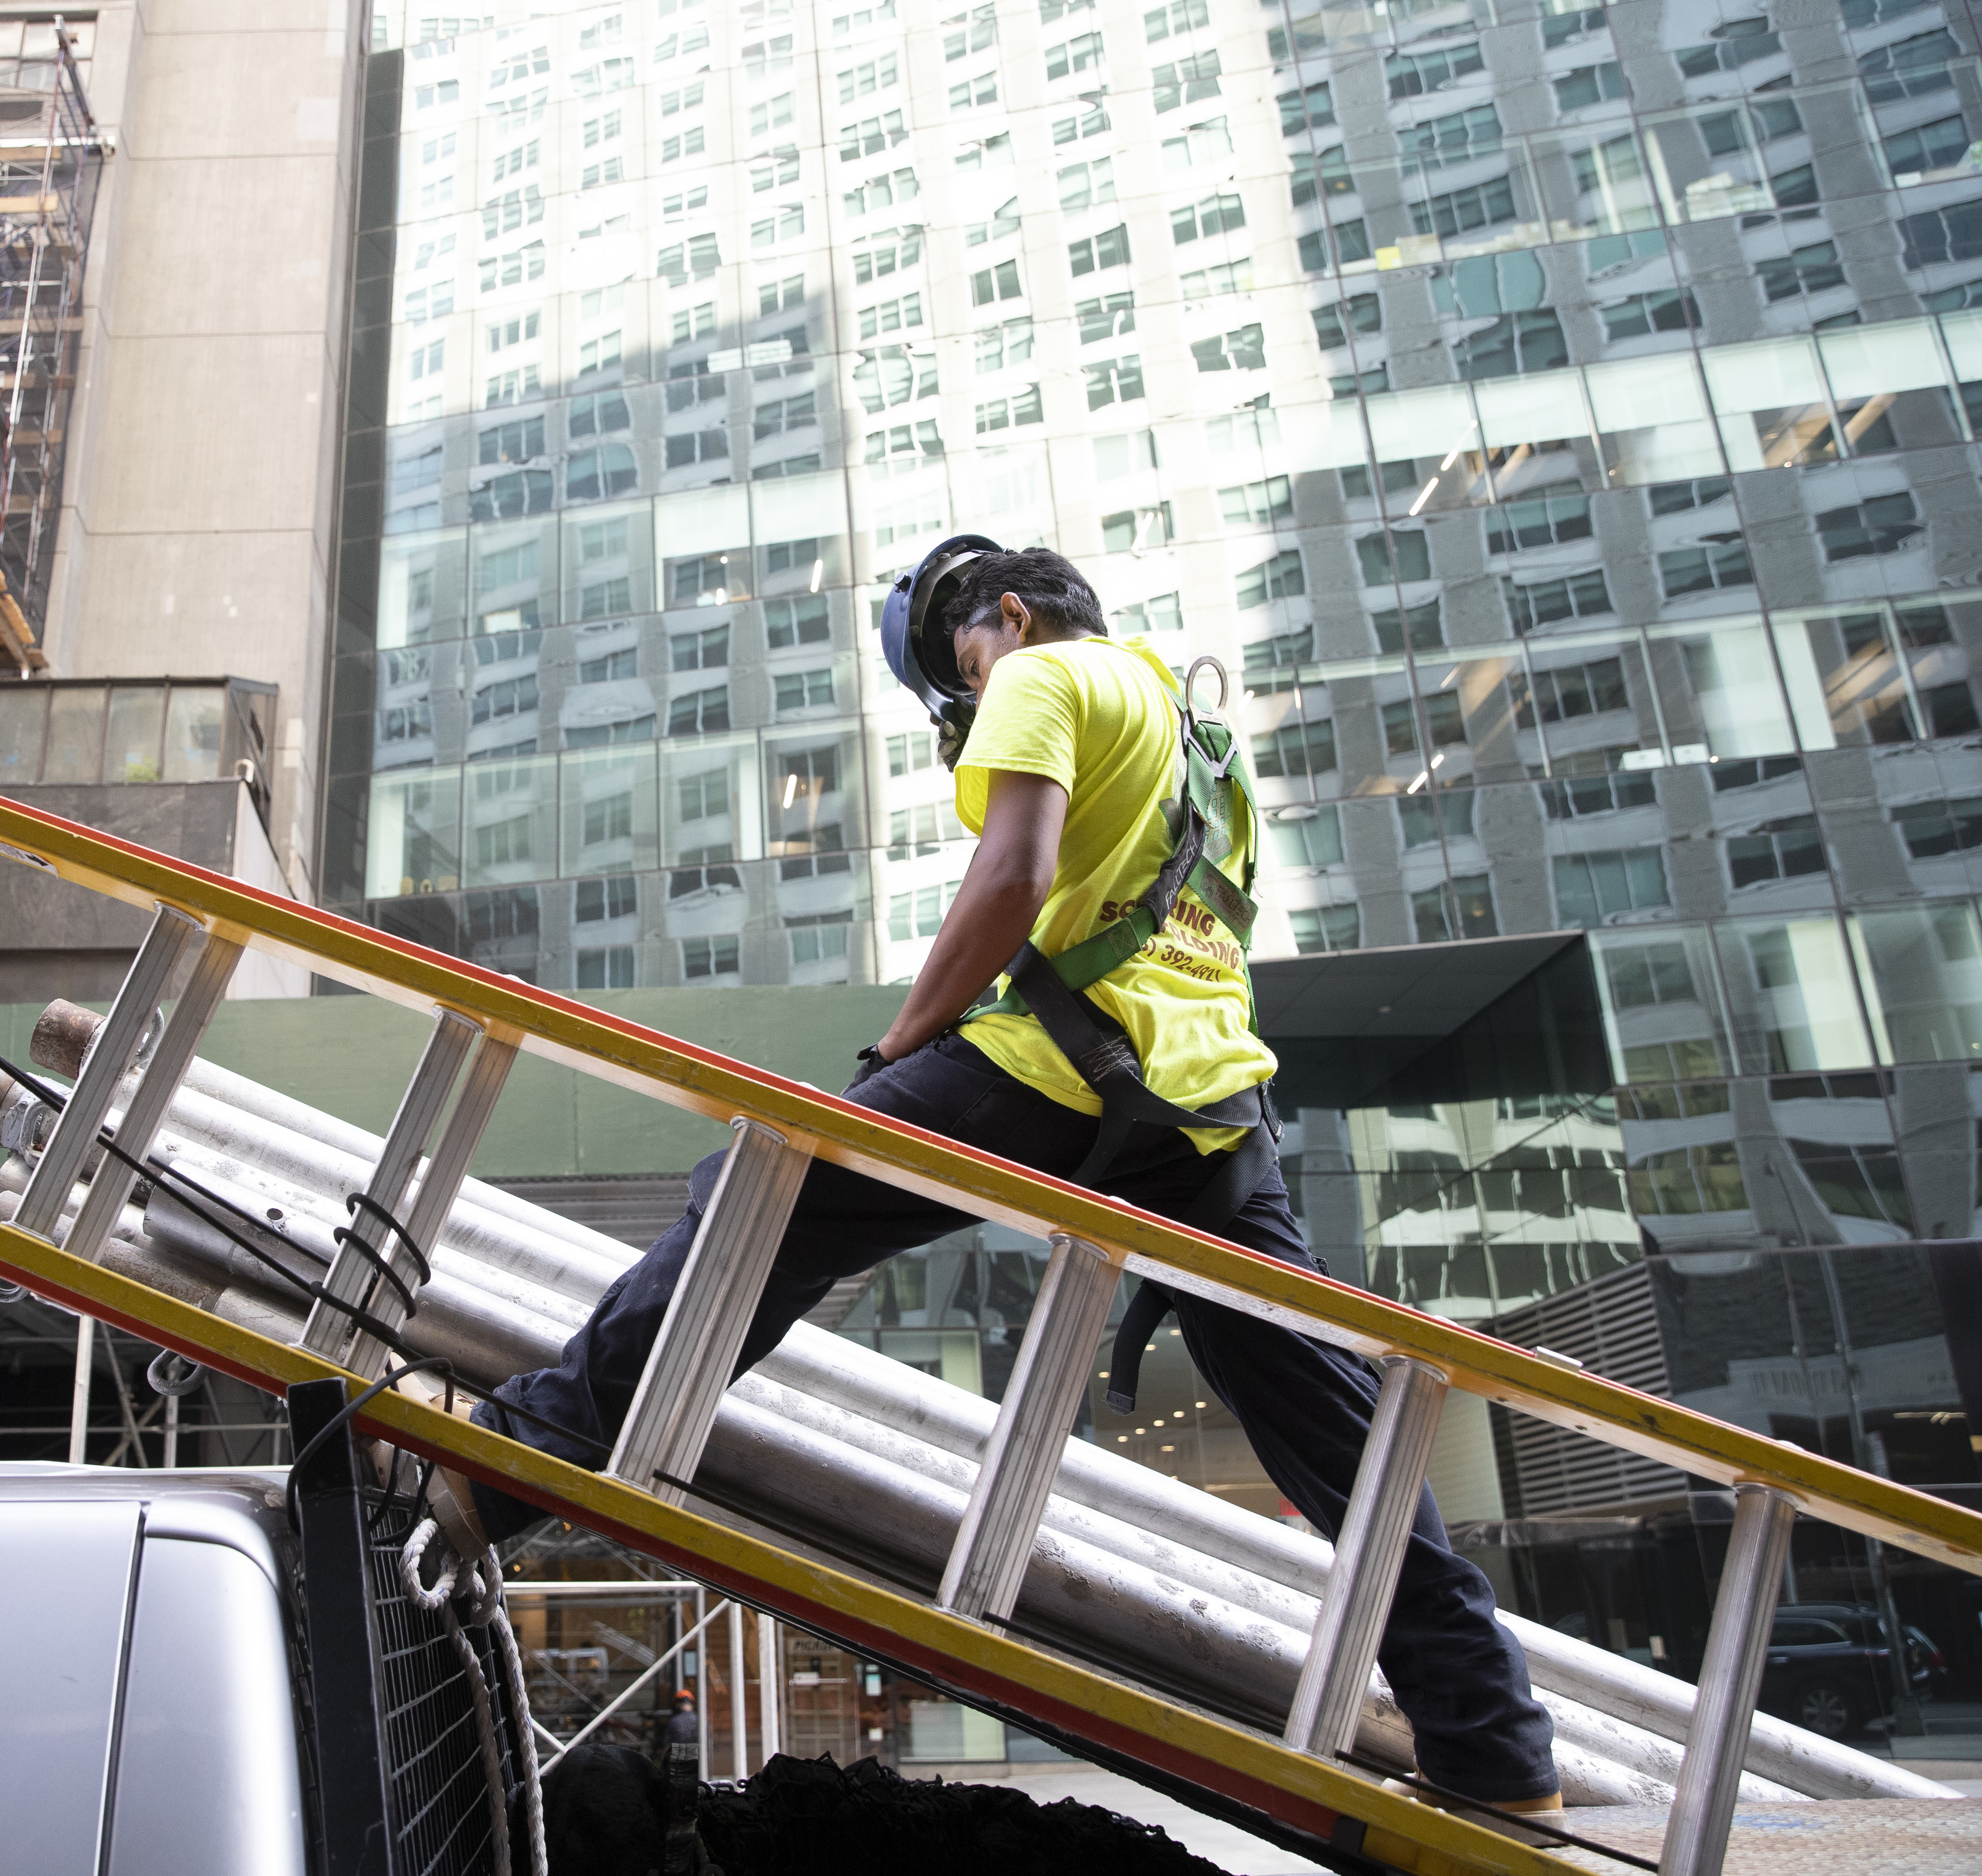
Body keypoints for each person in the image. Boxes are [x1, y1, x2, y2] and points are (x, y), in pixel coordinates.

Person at [428, 540, 1561, 1817]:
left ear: (1006, 615)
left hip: (1062, 1066)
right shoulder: (1203, 744)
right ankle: (1497, 1751)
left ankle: (504, 1465)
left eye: (962, 676)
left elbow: (1014, 877)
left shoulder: (1043, 672)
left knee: (763, 1200)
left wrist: (902, 1045)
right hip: (1219, 1113)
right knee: (1332, 1431)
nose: (970, 708)